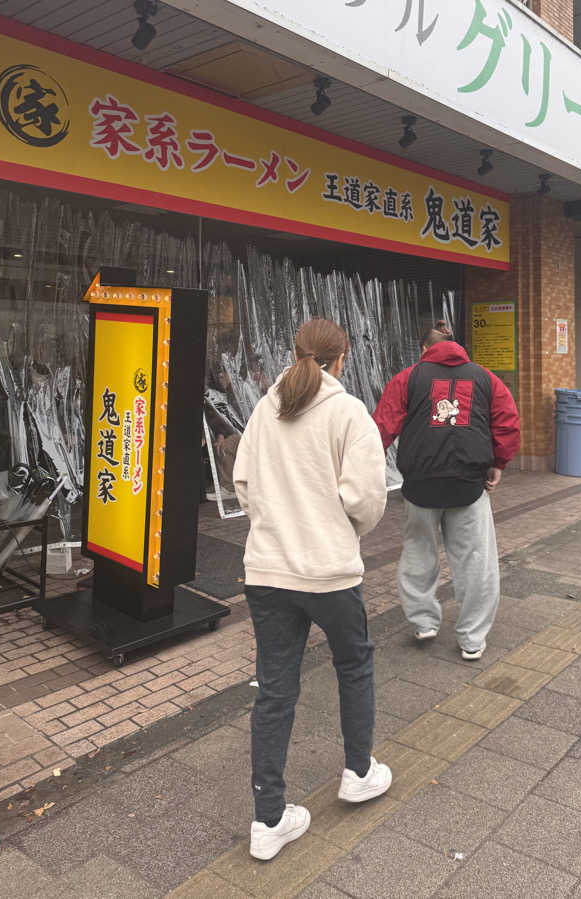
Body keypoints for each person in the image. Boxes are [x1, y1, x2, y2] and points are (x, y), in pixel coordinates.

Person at [233, 318, 392, 862]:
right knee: (354, 664)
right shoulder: (349, 414)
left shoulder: (264, 408)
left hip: (268, 573)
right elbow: (367, 499)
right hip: (329, 573)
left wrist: (275, 527)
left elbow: (244, 486)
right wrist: (341, 532)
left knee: (275, 691)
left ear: (293, 352)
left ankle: (269, 819)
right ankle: (359, 770)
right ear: (342, 358)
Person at [373, 321, 520, 661]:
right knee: (475, 561)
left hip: (420, 485)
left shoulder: (407, 378)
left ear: (424, 350)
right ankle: (472, 638)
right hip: (469, 484)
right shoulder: (486, 378)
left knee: (418, 552)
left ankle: (424, 622)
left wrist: (366, 471)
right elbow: (507, 422)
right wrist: (499, 462)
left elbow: (382, 426)